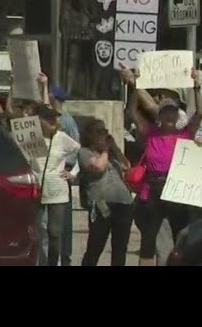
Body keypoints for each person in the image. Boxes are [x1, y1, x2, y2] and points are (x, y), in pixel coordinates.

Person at [123, 66, 202, 267]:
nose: (169, 116)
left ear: (177, 116)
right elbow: (132, 112)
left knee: (181, 238)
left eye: (173, 112)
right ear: (159, 116)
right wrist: (134, 86)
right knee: (148, 241)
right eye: (165, 112)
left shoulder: (185, 135)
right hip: (152, 191)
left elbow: (200, 112)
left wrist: (197, 86)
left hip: (176, 190)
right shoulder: (149, 133)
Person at [78, 119, 133, 266]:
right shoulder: (85, 152)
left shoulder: (110, 154)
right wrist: (106, 150)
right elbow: (98, 167)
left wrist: (114, 147)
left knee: (120, 249)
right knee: (95, 247)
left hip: (123, 203)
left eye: (105, 131)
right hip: (102, 205)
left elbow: (127, 165)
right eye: (99, 132)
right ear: (90, 135)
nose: (103, 135)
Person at [32, 104, 81, 266]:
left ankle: (53, 263)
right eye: (48, 118)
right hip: (36, 189)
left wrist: (72, 173)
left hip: (57, 190)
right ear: (39, 120)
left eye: (55, 117)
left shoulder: (62, 138)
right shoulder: (31, 137)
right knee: (35, 231)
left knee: (54, 232)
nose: (53, 120)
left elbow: (82, 153)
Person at [48, 85, 80, 267]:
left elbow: (76, 149)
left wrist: (71, 171)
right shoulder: (48, 119)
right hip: (48, 178)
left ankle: (64, 259)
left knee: (62, 225)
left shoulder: (67, 121)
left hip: (61, 176)